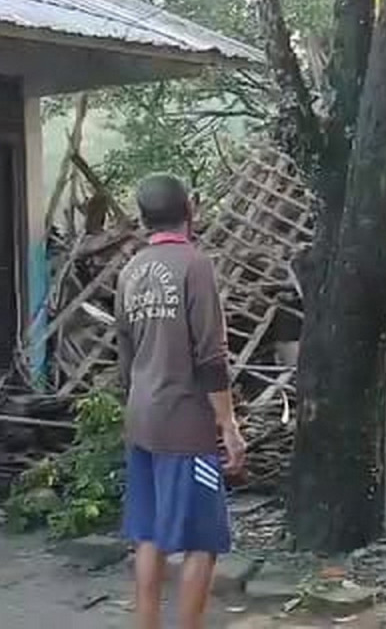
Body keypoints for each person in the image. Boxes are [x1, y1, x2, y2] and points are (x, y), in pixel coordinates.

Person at [115, 173, 246, 629]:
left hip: (141, 419)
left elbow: (125, 358)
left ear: (142, 218)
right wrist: (228, 425)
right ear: (190, 209)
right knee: (202, 540)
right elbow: (211, 357)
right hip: (185, 425)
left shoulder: (130, 271)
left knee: (148, 534)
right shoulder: (195, 265)